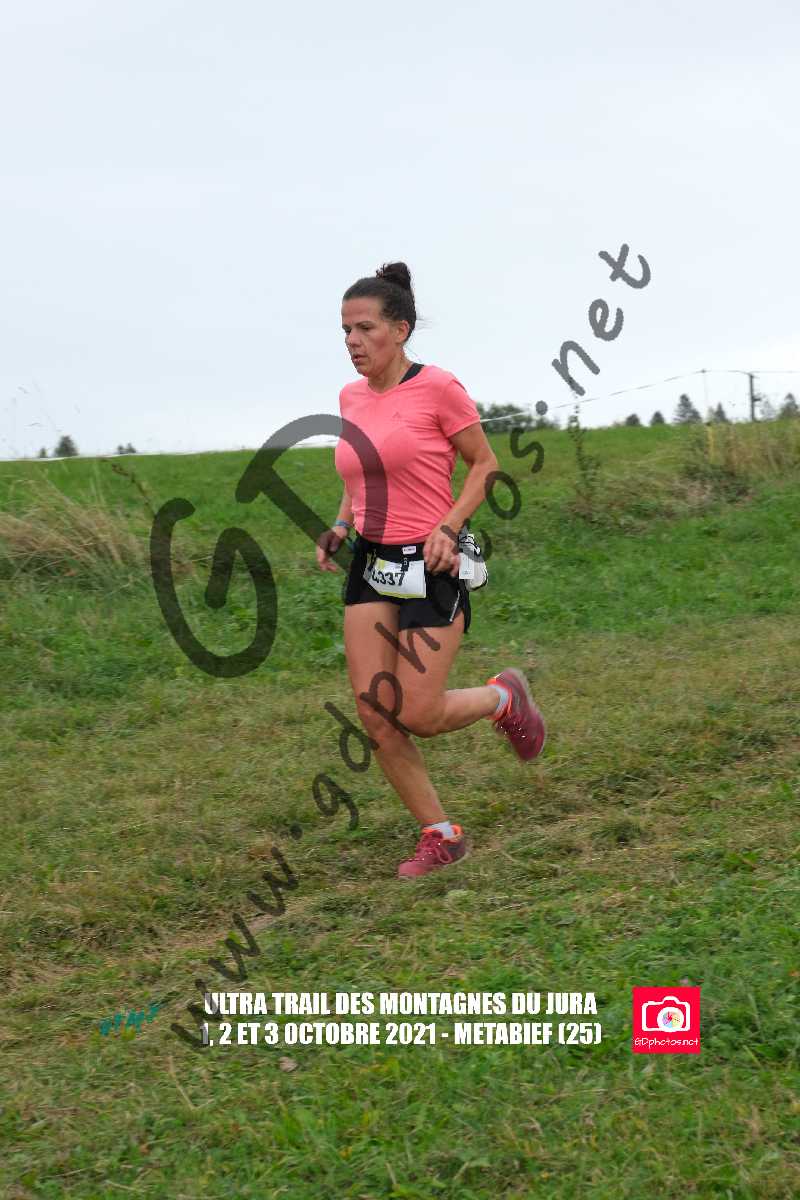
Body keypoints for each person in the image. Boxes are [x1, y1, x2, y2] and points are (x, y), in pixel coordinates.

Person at [316, 261, 546, 879]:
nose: (352, 341)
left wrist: (449, 526)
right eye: (345, 330)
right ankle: (441, 835)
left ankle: (503, 697)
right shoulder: (350, 397)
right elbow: (361, 472)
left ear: (401, 330)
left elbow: (484, 465)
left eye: (365, 328)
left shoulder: (439, 388)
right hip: (371, 563)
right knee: (374, 712)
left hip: (433, 561)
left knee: (416, 712)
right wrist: (341, 523)